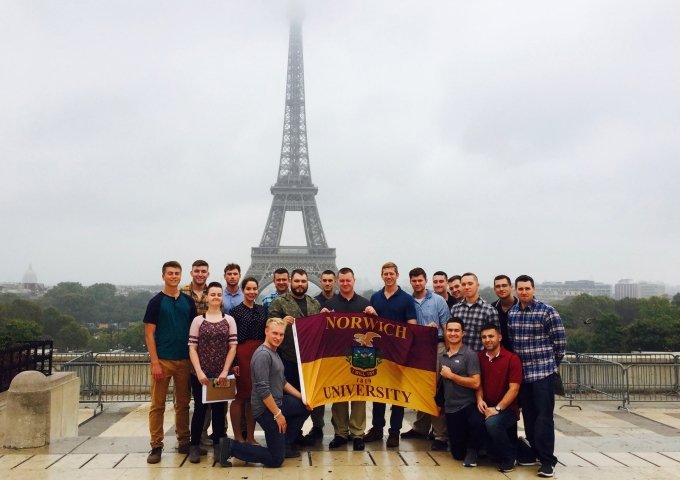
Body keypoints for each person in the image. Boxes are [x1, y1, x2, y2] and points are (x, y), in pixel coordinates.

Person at [217, 317, 311, 468]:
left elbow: (283, 382)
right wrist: (278, 415)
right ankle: (231, 447)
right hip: (266, 410)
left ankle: (284, 443)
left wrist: (304, 399)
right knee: (276, 460)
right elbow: (262, 390)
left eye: (281, 334)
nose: (278, 337)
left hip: (278, 402)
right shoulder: (262, 355)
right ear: (266, 332)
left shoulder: (274, 352)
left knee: (304, 407)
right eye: (275, 333)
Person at [508, 274, 567, 478]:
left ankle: (548, 460)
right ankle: (535, 452)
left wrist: (551, 367)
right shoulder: (513, 313)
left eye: (527, 288)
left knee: (544, 418)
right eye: (520, 289)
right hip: (523, 375)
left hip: (543, 373)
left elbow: (560, 344)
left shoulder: (547, 311)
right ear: (516, 290)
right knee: (529, 418)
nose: (524, 292)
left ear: (533, 289)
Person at [143, 261, 196, 464]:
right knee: (157, 405)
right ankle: (156, 445)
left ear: (181, 276)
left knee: (182, 404)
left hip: (183, 360)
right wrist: (155, 362)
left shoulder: (188, 302)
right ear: (163, 276)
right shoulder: (155, 302)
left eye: (177, 273)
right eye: (170, 273)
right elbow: (149, 335)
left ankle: (184, 441)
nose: (174, 276)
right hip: (163, 360)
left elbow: (193, 332)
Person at [363, 262, 417, 448]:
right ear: (382, 275)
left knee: (396, 395)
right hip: (378, 352)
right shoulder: (375, 297)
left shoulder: (406, 299)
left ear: (397, 275)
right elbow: (369, 326)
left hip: (398, 353)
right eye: (385, 273)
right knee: (378, 392)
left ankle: (395, 431)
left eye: (391, 273)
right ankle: (377, 429)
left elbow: (412, 326)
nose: (388, 276)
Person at [267, 269, 321, 443]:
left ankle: (296, 434)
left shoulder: (314, 304)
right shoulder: (279, 303)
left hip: (308, 362)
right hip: (287, 360)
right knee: (290, 401)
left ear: (307, 283)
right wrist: (284, 321)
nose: (300, 284)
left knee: (307, 401)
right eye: (297, 281)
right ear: (291, 281)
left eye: (303, 281)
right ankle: (287, 437)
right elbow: (271, 326)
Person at [187, 281, 238, 463]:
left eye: (219, 294)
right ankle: (194, 445)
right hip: (200, 375)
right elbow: (192, 347)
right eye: (213, 294)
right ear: (207, 297)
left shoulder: (229, 320)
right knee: (199, 411)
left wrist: (225, 371)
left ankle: (218, 446)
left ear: (221, 297)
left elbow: (233, 347)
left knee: (219, 412)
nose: (216, 297)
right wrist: (199, 372)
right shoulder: (197, 320)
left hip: (220, 374)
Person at [322, 267, 371, 451]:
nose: (344, 283)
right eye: (341, 280)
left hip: (361, 353)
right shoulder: (329, 304)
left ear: (353, 280)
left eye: (347, 280)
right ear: (337, 281)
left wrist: (373, 315)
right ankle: (340, 433)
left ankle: (357, 433)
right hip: (337, 355)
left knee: (359, 394)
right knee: (339, 394)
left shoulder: (365, 304)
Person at [401, 267, 450, 451]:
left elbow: (445, 327)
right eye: (414, 281)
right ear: (410, 281)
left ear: (425, 280)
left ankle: (440, 434)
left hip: (437, 346)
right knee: (421, 388)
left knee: (436, 389)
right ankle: (420, 428)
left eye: (420, 280)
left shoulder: (438, 301)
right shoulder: (407, 301)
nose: (417, 283)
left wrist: (448, 352)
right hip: (416, 349)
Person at [476, 323, 522, 473]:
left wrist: (497, 409)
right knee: (469, 416)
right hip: (485, 406)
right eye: (484, 337)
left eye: (491, 336)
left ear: (499, 337)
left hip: (507, 409)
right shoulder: (479, 357)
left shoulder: (512, 359)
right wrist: (479, 399)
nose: (487, 340)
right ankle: (476, 450)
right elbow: (478, 383)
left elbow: (514, 389)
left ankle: (510, 457)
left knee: (493, 423)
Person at [438, 317, 484, 467]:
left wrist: (452, 376)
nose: (453, 333)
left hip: (468, 404)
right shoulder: (443, 356)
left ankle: (475, 450)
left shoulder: (470, 355)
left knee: (477, 424)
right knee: (457, 455)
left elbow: (476, 382)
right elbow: (442, 383)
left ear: (463, 333)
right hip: (451, 408)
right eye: (450, 330)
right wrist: (440, 403)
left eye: (456, 330)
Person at [228, 277, 267, 445]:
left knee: (253, 397)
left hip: (259, 354)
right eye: (248, 289)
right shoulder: (236, 312)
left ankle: (250, 436)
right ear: (243, 290)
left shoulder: (263, 310)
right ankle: (238, 436)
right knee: (239, 396)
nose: (252, 292)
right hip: (242, 354)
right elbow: (232, 339)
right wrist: (234, 361)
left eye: (254, 289)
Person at [305, 269, 336, 443]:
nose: (327, 283)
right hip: (319, 353)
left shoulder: (341, 301)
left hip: (338, 354)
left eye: (330, 280)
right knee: (317, 391)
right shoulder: (313, 303)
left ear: (335, 281)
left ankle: (342, 430)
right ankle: (318, 426)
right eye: (324, 280)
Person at [450, 272, 499, 352]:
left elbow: (495, 339)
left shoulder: (489, 310)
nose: (466, 287)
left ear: (477, 285)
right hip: (459, 357)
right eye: (463, 284)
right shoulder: (455, 309)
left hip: (479, 359)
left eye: (470, 284)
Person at [491, 274, 519, 351]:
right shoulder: (491, 308)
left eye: (504, 285)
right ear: (494, 289)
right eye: (498, 286)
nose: (501, 289)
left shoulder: (521, 307)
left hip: (520, 354)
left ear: (511, 287)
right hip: (500, 355)